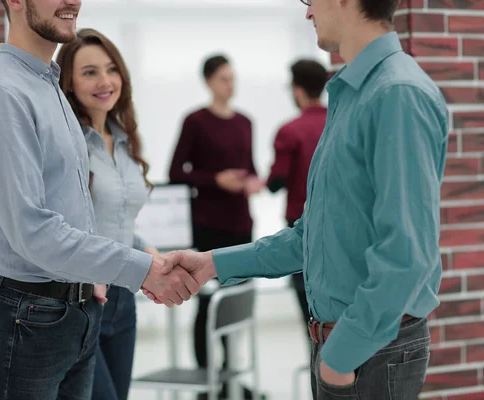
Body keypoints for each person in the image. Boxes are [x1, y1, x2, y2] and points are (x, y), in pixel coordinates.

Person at [148, 0, 450, 398]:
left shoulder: (397, 94)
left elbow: (407, 257)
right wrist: (211, 263)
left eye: (310, 0)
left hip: (368, 353)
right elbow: (311, 237)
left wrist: (339, 357)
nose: (307, 13)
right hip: (345, 348)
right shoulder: (352, 95)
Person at [0, 1, 198, 399]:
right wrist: (141, 268)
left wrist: (143, 259)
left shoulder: (47, 87)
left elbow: (78, 217)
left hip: (78, 309)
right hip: (25, 314)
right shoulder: (0, 94)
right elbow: (33, 232)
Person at [56, 28, 159, 400]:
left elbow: (113, 220)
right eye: (89, 72)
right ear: (68, 82)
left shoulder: (125, 138)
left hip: (123, 297)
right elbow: (61, 223)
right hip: (81, 298)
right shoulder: (67, 143)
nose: (105, 81)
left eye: (111, 69)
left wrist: (148, 250)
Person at [168, 54, 265, 400]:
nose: (231, 85)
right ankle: (208, 383)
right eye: (224, 79)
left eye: (233, 78)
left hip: (241, 225)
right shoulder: (195, 121)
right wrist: (216, 181)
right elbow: (177, 171)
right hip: (209, 226)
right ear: (208, 81)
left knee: (235, 305)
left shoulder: (245, 122)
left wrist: (254, 182)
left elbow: (249, 168)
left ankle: (232, 380)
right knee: (207, 305)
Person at [265, 59, 328, 335]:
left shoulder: (290, 131)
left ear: (297, 90)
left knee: (311, 319)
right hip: (339, 225)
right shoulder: (338, 119)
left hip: (301, 229)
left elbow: (275, 182)